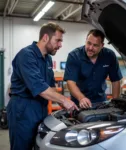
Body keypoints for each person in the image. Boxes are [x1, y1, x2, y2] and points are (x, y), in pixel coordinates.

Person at [7, 22, 78, 150]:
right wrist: (64, 100)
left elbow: (50, 87)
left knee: (40, 145)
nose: (60, 45)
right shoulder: (26, 55)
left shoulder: (48, 59)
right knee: (22, 146)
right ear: (45, 37)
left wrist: (61, 103)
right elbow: (39, 87)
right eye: (58, 40)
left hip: (41, 107)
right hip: (23, 109)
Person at [64, 29, 122, 109]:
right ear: (86, 41)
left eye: (95, 45)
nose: (90, 48)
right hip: (79, 102)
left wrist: (115, 103)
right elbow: (70, 82)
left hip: (101, 101)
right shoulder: (74, 56)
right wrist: (81, 98)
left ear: (102, 45)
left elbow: (115, 80)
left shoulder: (109, 56)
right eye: (89, 43)